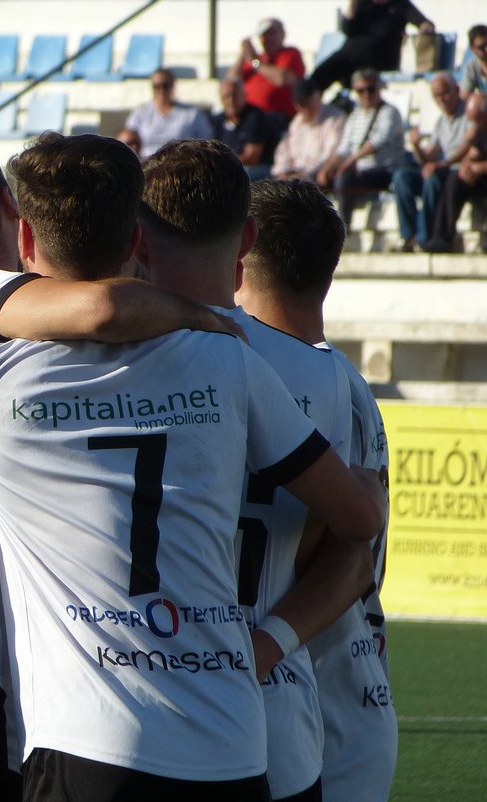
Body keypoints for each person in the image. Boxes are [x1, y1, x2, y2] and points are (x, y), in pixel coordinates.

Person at [0, 133, 384, 801]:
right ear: (135, 243)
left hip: (88, 736)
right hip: (230, 739)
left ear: (24, 239)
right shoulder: (229, 357)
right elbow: (358, 518)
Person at [137, 138, 383, 801]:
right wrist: (266, 645)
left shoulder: (88, 356)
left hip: (122, 701)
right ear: (243, 238)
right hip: (267, 703)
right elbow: (346, 548)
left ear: (137, 236)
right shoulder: (318, 373)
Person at [237, 178, 398, 802]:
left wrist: (267, 643)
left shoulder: (322, 386)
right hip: (330, 696)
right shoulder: (336, 378)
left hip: (322, 701)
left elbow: (350, 554)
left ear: (239, 253)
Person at [390, 73, 472, 251]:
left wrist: (440, 164)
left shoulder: (469, 114)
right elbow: (430, 156)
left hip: (456, 172)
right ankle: (408, 236)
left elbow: (468, 147)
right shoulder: (441, 121)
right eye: (436, 96)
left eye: (445, 94)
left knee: (432, 178)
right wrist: (417, 145)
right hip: (442, 168)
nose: (442, 100)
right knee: (402, 177)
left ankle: (424, 236)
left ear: (456, 90)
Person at [317, 68, 408, 225]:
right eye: (360, 91)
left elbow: (378, 141)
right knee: (319, 182)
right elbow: (344, 148)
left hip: (384, 169)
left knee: (344, 180)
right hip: (360, 170)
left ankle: (343, 228)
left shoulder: (390, 112)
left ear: (379, 88)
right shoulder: (355, 115)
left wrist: (350, 161)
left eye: (370, 89)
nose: (366, 94)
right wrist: (327, 168)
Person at [311, 0, 435, 94]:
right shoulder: (362, 3)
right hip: (348, 56)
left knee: (350, 72)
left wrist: (423, 31)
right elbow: (347, 29)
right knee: (318, 77)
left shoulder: (400, 4)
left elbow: (426, 23)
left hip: (380, 59)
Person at [424, 92, 487, 252]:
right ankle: (442, 237)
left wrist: (478, 168)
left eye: (477, 119)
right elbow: (474, 153)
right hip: (480, 178)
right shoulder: (480, 130)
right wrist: (466, 167)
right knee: (454, 179)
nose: (475, 124)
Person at [118, 69, 211, 160]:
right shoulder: (140, 112)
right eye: (157, 86)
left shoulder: (192, 113)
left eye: (165, 86)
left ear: (173, 85)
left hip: (181, 165)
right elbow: (127, 138)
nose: (161, 90)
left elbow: (206, 142)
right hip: (147, 165)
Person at [227, 18, 305, 126]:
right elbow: (230, 81)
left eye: (272, 34)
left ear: (282, 35)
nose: (268, 39)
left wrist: (255, 62)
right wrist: (243, 55)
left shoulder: (290, 54)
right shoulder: (254, 59)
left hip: (277, 118)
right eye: (264, 35)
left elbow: (282, 79)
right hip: (248, 116)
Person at [272, 79, 346, 181]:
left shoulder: (334, 118)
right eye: (300, 103)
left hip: (317, 176)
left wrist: (305, 173)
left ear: (317, 96)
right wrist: (282, 172)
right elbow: (283, 152)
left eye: (307, 101)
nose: (304, 107)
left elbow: (331, 153)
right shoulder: (296, 122)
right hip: (293, 176)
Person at [213, 78, 278, 181]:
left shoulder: (255, 117)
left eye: (235, 95)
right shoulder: (218, 120)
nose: (231, 100)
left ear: (244, 95)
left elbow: (252, 157)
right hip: (229, 166)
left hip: (260, 169)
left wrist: (223, 164)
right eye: (227, 96)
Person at [460, 25, 487, 97]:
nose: (486, 49)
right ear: (472, 48)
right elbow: (465, 96)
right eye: (482, 47)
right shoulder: (472, 67)